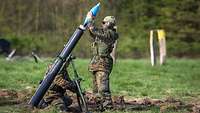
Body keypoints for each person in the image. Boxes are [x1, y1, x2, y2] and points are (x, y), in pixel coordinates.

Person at [87, 16, 118, 109]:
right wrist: (89, 25)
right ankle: (98, 106)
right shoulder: (102, 33)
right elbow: (93, 33)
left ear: (108, 24)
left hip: (103, 63)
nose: (102, 24)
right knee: (96, 88)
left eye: (103, 22)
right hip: (96, 62)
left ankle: (108, 106)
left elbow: (97, 32)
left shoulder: (111, 34)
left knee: (103, 88)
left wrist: (91, 23)